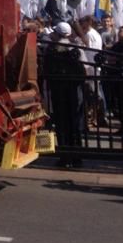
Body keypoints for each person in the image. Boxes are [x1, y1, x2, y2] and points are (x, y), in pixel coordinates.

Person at [44, 21, 85, 167]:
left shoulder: (51, 50)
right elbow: (83, 70)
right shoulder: (76, 49)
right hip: (73, 91)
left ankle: (65, 157)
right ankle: (77, 156)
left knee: (62, 124)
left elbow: (46, 70)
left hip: (60, 92)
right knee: (74, 123)